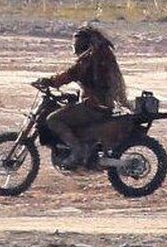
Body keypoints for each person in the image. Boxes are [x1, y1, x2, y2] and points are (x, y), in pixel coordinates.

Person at [35, 25, 131, 167]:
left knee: (53, 119)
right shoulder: (99, 57)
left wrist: (50, 81)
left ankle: (77, 150)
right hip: (101, 104)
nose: (75, 48)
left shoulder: (89, 60)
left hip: (94, 106)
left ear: (83, 44)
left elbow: (70, 74)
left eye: (77, 44)